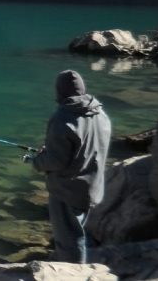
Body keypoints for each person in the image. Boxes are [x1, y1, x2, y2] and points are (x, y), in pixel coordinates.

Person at [26, 69, 111, 263]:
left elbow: (56, 161)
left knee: (68, 241)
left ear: (60, 91)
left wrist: (37, 161)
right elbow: (86, 148)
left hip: (67, 190)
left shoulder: (63, 118)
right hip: (93, 187)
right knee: (78, 232)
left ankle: (72, 272)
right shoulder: (100, 113)